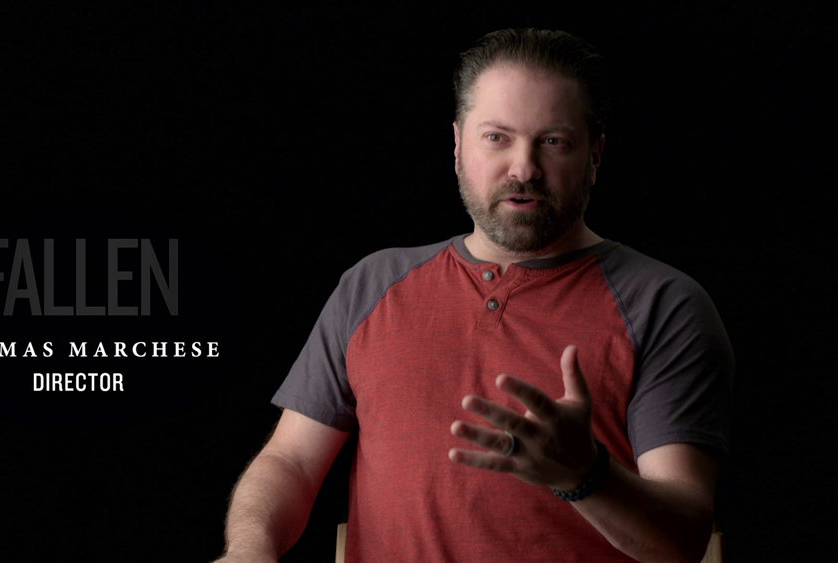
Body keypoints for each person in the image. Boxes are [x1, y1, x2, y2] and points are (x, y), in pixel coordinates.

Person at [217, 28, 733, 562]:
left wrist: (586, 475)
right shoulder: (372, 285)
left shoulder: (664, 305)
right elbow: (292, 462)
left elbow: (683, 540)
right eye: (497, 137)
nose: (524, 168)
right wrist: (249, 549)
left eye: (553, 141)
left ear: (595, 155)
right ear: (458, 145)